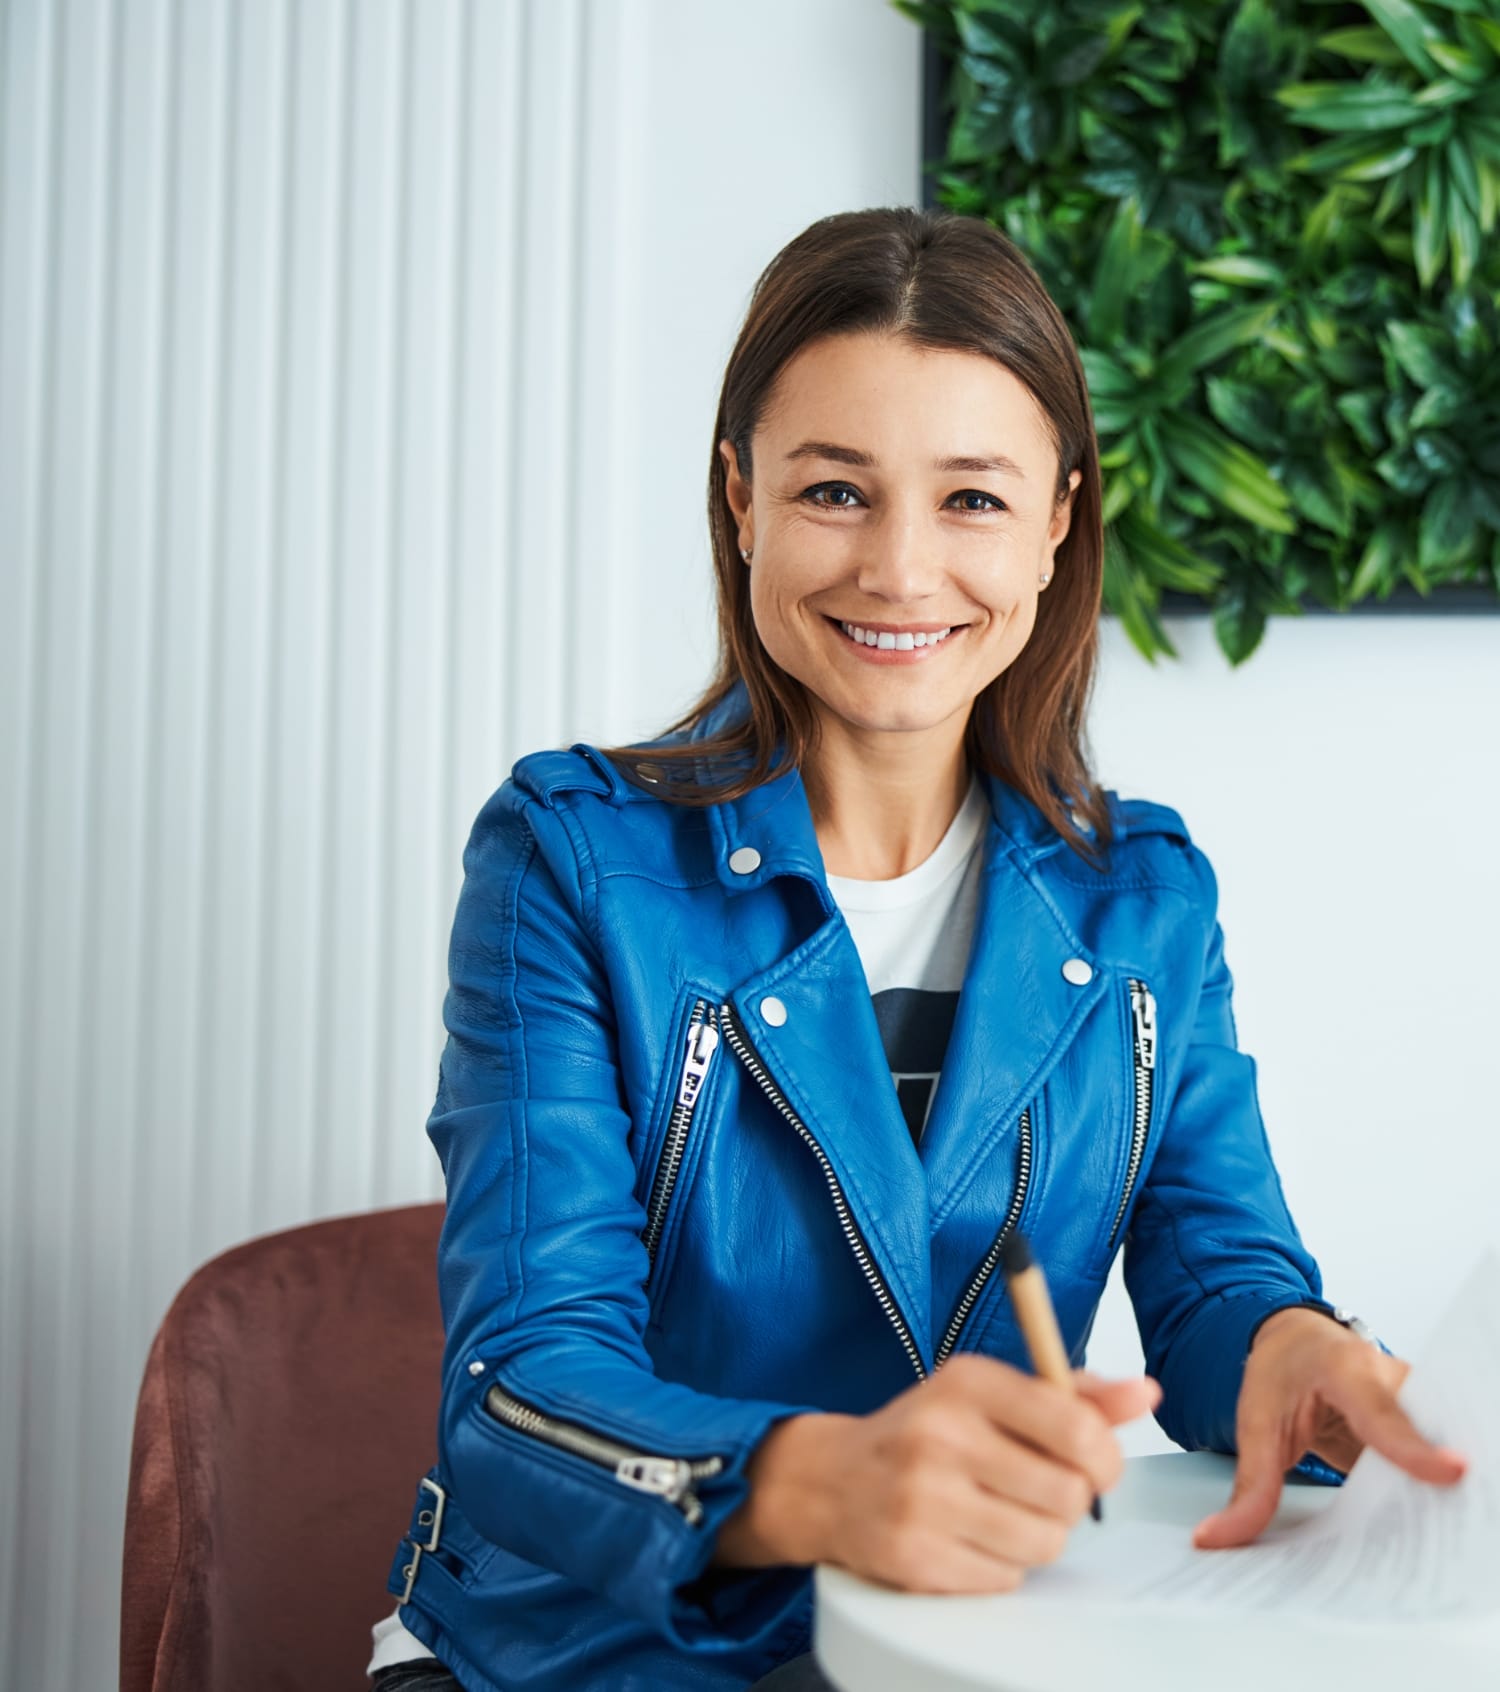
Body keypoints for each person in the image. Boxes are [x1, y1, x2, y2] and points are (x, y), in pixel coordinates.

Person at [366, 207, 1465, 1692]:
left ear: (1059, 518)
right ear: (739, 496)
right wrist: (815, 1487)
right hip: (580, 1649)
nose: (899, 569)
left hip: (964, 1650)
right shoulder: (570, 858)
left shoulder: (1145, 895)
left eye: (970, 500)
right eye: (835, 489)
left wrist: (1289, 1348)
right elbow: (521, 1389)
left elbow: (1218, 1277)